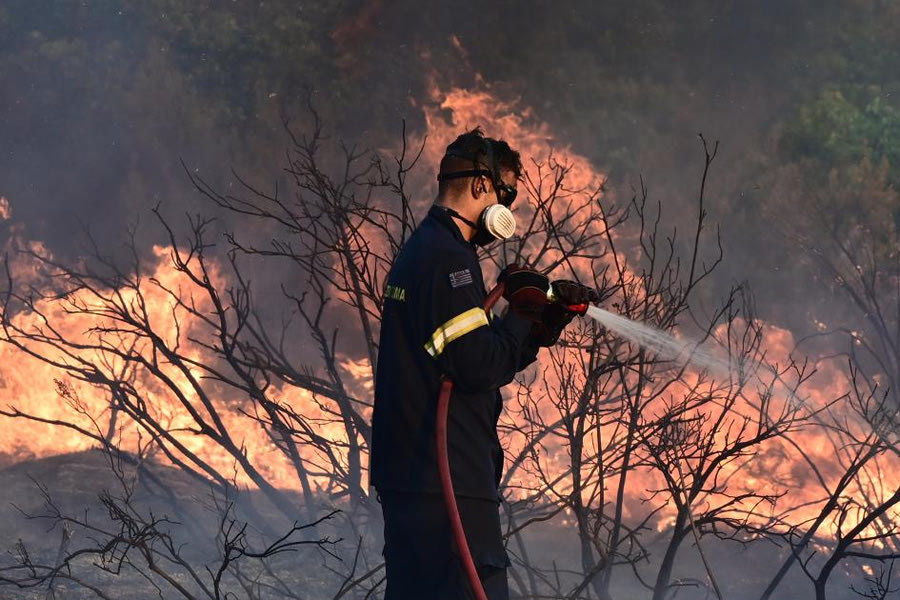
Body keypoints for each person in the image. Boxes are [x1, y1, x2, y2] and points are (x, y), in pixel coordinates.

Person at [370, 128, 597, 599]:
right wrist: (523, 311)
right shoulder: (449, 259)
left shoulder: (428, 250)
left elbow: (464, 355)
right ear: (480, 186)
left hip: (417, 478)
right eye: (507, 192)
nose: (509, 207)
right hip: (448, 477)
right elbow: (476, 368)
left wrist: (538, 324)